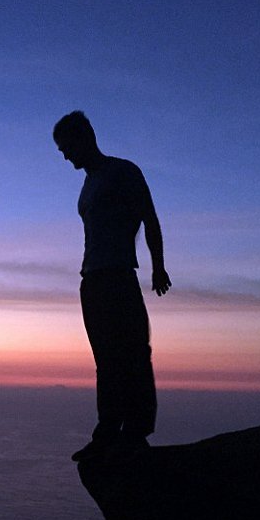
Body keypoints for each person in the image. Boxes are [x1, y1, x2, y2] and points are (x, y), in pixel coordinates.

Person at [53, 110, 171, 462]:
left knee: (134, 352)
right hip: (91, 280)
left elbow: (149, 218)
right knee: (106, 360)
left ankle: (135, 432)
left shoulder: (123, 172)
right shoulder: (86, 185)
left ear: (85, 137)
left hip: (120, 275)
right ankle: (108, 432)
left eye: (67, 146)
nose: (65, 155)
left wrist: (158, 267)